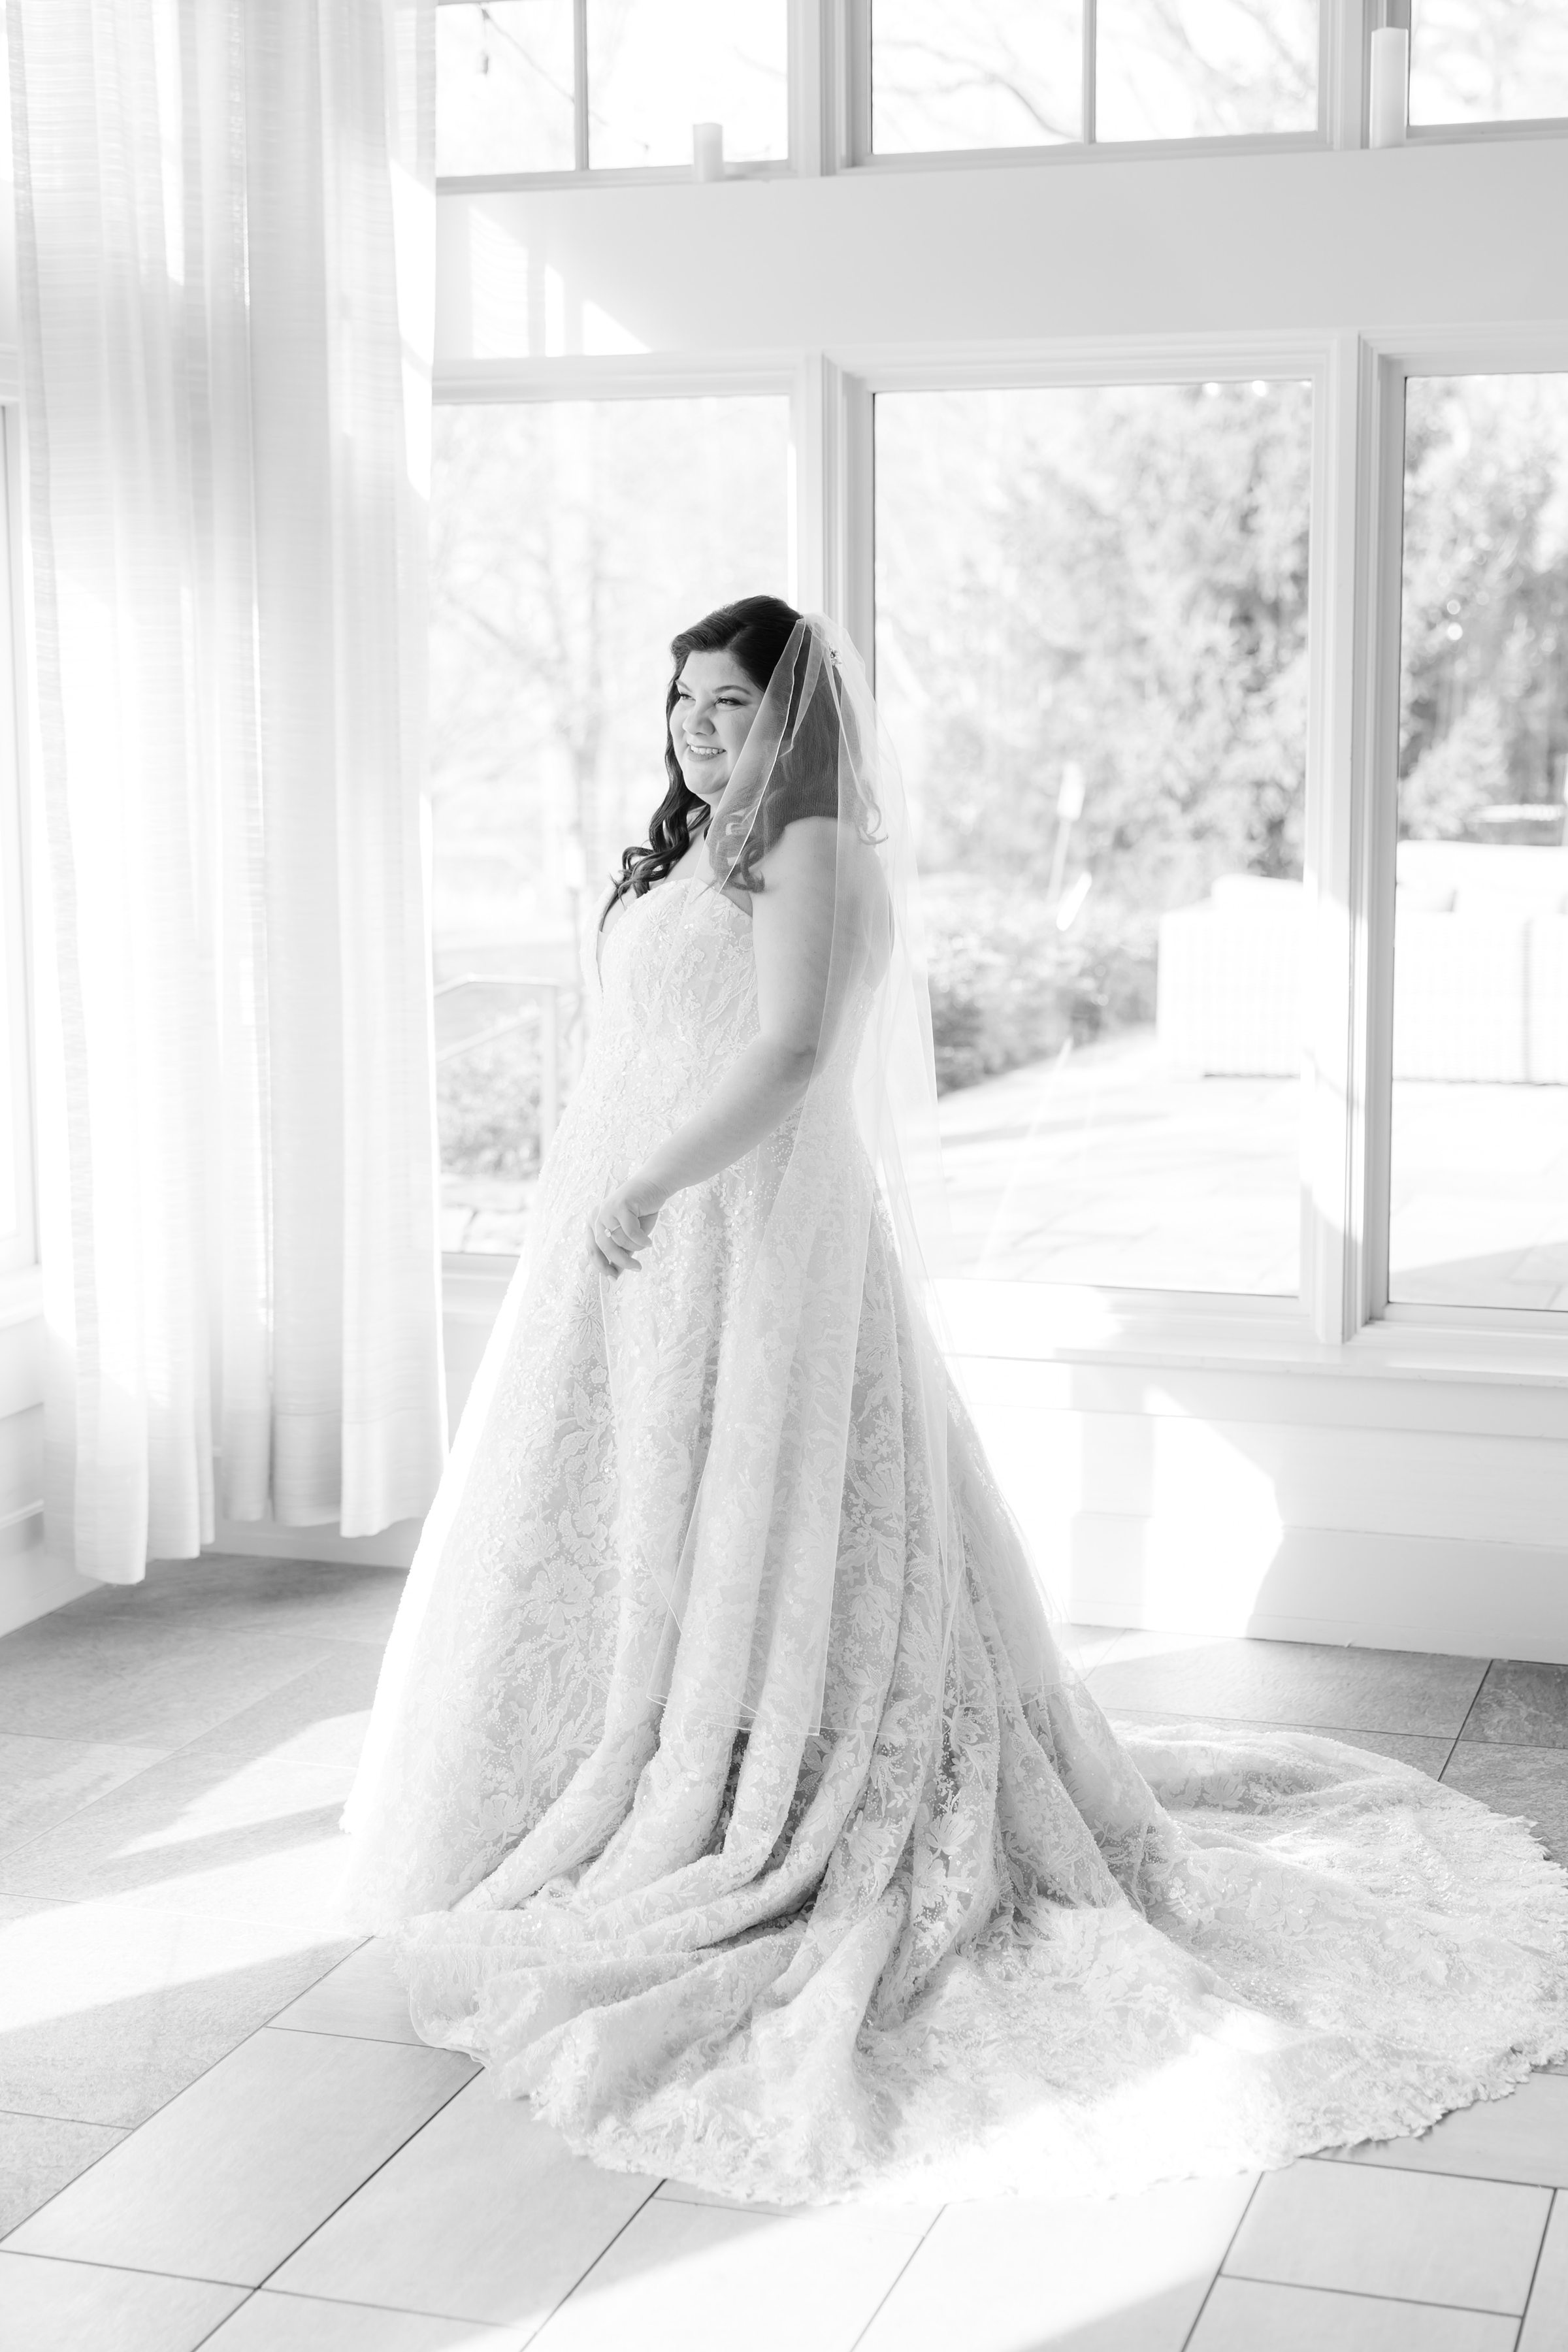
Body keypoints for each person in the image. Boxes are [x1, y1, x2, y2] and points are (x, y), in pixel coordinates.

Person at [343, 595, 1568, 2205]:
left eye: (729, 709)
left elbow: (786, 1057)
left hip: (737, 1234)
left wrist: (646, 1183)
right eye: (685, 710)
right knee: (618, 1533)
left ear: (798, 721)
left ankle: (755, 1798)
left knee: (769, 1538)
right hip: (631, 1242)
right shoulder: (687, 856)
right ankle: (589, 1780)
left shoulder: (817, 856)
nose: (700, 737)